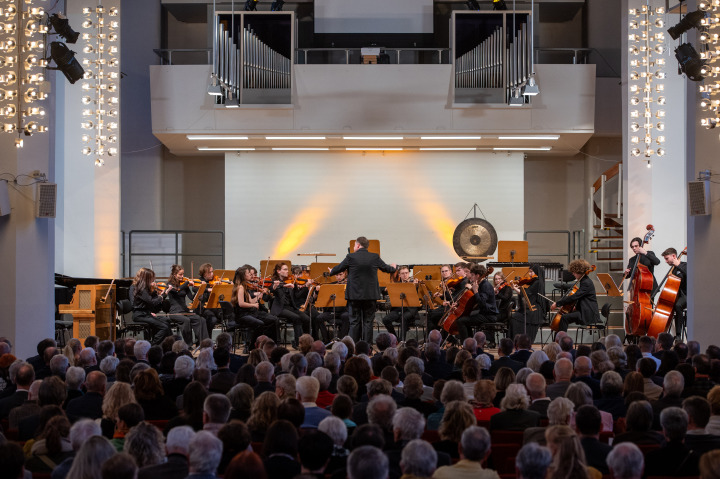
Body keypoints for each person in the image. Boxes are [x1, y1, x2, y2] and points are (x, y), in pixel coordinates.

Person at [327, 236, 397, 343]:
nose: (354, 247)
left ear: (358, 245)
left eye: (354, 245)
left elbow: (339, 268)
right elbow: (387, 269)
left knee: (354, 322)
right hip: (370, 296)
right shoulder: (374, 257)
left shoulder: (351, 257)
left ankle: (354, 347)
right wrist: (393, 267)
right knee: (368, 322)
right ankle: (367, 347)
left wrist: (332, 271)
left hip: (354, 296)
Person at [231, 265, 279, 343]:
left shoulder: (245, 286)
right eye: (248, 273)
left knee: (272, 320)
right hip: (242, 315)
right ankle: (253, 345)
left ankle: (271, 343)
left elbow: (251, 301)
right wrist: (253, 305)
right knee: (260, 324)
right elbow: (241, 303)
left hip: (249, 313)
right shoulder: (240, 287)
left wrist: (261, 294)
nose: (251, 275)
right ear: (243, 275)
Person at [269, 262, 311, 349]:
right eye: (285, 269)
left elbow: (297, 296)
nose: (287, 271)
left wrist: (303, 287)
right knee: (296, 317)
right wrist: (276, 287)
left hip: (290, 307)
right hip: (280, 308)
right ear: (278, 271)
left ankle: (307, 343)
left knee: (306, 318)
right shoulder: (274, 281)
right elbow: (269, 293)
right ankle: (297, 343)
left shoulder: (291, 281)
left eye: (287, 269)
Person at [550, 259, 599, 332]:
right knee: (564, 317)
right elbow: (582, 298)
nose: (573, 274)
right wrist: (576, 307)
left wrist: (558, 303)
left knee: (564, 318)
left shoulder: (586, 283)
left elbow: (574, 297)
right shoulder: (584, 281)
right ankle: (560, 339)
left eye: (574, 272)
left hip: (588, 313)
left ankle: (562, 340)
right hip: (584, 310)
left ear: (579, 271)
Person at [166, 264, 209, 346]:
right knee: (186, 321)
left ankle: (204, 343)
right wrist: (187, 283)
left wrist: (200, 291)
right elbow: (177, 290)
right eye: (180, 274)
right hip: (175, 312)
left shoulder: (184, 285)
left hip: (185, 311)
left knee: (201, 319)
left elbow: (192, 297)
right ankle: (188, 344)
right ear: (175, 275)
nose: (182, 276)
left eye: (183, 274)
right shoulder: (170, 284)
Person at [454, 264, 498, 342]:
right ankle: (470, 341)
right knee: (463, 318)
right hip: (483, 313)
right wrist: (458, 304)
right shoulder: (479, 284)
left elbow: (482, 304)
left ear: (478, 275)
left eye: (473, 275)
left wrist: (476, 291)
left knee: (461, 321)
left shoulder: (485, 285)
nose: (471, 276)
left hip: (489, 315)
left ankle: (466, 344)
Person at [131, 268, 172, 346]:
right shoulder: (140, 289)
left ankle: (168, 345)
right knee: (164, 327)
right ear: (146, 278)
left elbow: (153, 302)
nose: (153, 280)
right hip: (140, 315)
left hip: (146, 314)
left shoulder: (145, 289)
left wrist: (161, 294)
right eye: (152, 278)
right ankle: (152, 345)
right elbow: (152, 302)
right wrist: (161, 296)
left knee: (166, 321)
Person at [510, 265, 549, 342]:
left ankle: (519, 341)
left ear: (536, 272)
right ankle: (518, 341)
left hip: (535, 310)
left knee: (514, 318)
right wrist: (518, 287)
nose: (530, 274)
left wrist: (514, 288)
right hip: (531, 308)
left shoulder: (537, 282)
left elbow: (526, 293)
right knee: (514, 317)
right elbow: (526, 291)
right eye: (530, 272)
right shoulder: (534, 282)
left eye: (531, 272)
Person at [382, 266, 420, 341]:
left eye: (406, 273)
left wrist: (416, 286)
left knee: (404, 318)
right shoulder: (397, 285)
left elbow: (419, 297)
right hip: (398, 309)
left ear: (409, 273)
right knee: (386, 319)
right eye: (402, 273)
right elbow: (383, 292)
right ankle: (396, 339)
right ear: (399, 275)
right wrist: (386, 289)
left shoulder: (413, 283)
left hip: (410, 310)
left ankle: (402, 341)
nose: (405, 275)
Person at [661, 247, 688, 339]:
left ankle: (678, 335)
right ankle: (663, 334)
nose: (666, 261)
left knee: (678, 305)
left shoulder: (685, 265)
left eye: (667, 258)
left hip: (687, 295)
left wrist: (678, 265)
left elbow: (691, 276)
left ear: (674, 256)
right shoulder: (674, 270)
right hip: (677, 296)